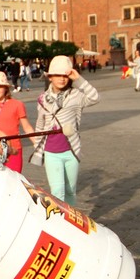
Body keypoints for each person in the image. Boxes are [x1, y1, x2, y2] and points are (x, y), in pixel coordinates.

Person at [31, 55, 99, 206]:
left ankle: (71, 222)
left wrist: (79, 79)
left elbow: (95, 97)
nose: (61, 79)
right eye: (57, 75)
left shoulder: (76, 95)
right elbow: (40, 123)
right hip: (51, 151)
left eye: (65, 76)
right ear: (50, 77)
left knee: (70, 191)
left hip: (71, 150)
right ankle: (60, 222)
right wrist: (38, 145)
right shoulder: (42, 99)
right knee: (57, 191)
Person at [0, 71, 34, 173]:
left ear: (6, 88)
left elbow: (27, 127)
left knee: (13, 181)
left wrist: (37, 144)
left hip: (14, 149)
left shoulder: (17, 104)